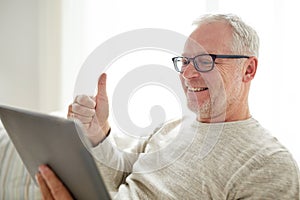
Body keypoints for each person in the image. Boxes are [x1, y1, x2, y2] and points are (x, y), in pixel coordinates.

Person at [36, 14, 300, 199]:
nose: (187, 74)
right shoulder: (171, 128)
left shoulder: (269, 165)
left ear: (248, 69)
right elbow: (117, 179)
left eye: (205, 61)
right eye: (184, 61)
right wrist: (97, 133)